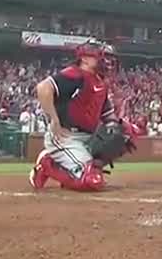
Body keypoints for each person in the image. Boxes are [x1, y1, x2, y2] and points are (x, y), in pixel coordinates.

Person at [29, 39, 120, 192]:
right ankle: (47, 165)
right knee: (92, 181)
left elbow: (107, 114)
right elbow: (43, 88)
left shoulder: (100, 82)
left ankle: (71, 169)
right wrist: (53, 118)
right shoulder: (75, 74)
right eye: (99, 57)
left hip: (87, 138)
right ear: (84, 59)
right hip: (66, 137)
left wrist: (119, 128)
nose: (104, 61)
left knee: (123, 134)